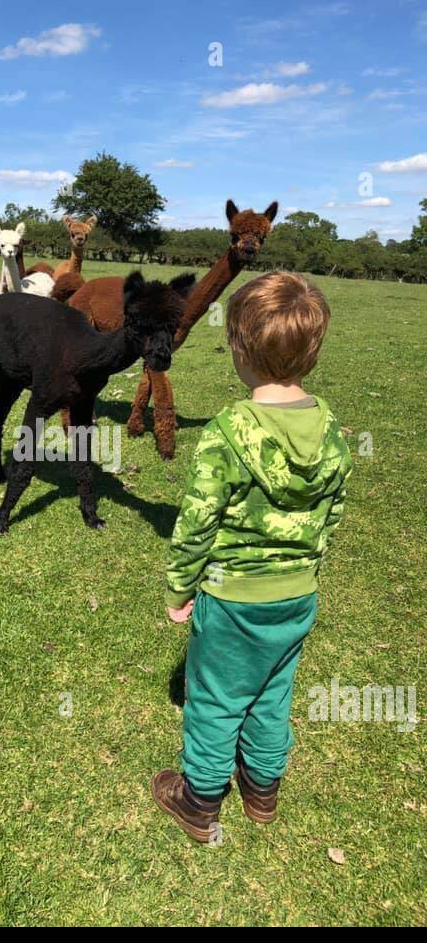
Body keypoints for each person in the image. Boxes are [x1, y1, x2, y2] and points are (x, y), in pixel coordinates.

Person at [152, 271, 352, 843]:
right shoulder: (333, 431)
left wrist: (178, 588)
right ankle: (262, 792)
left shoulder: (228, 432)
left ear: (240, 350)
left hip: (233, 595)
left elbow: (196, 522)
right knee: (272, 691)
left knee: (215, 699)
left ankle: (199, 800)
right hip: (297, 594)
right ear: (311, 353)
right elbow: (331, 514)